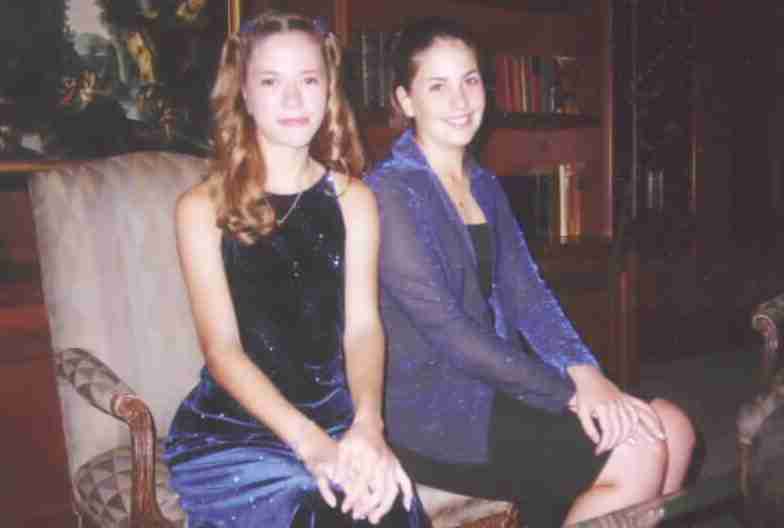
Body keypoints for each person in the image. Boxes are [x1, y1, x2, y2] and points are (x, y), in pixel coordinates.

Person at [365, 17, 696, 527]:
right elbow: (451, 335)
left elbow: (528, 296)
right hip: (438, 415)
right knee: (641, 449)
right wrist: (569, 393)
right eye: (438, 86)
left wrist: (587, 372)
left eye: (470, 80)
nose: (460, 100)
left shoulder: (483, 184)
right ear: (406, 101)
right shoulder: (391, 192)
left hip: (500, 387)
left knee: (673, 427)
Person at [164, 11, 428, 528]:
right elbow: (222, 350)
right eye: (270, 81)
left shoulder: (355, 200)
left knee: (388, 512)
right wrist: (311, 446)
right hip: (237, 434)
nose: (293, 99)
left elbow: (363, 328)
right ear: (243, 92)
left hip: (338, 420)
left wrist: (368, 427)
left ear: (329, 90)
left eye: (308, 80)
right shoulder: (200, 209)